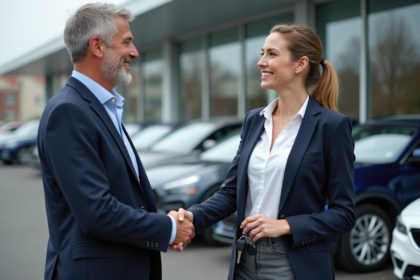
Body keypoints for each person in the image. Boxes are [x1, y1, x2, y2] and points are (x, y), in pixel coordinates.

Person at [172, 24, 356, 280]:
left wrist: (286, 225)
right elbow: (231, 192)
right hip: (244, 259)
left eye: (272, 53)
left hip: (294, 264)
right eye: (262, 53)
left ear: (300, 63)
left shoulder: (332, 127)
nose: (261, 62)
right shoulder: (254, 120)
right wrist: (192, 216)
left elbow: (344, 214)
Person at [37, 3, 193, 280]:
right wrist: (168, 228)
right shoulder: (69, 111)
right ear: (97, 46)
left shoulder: (98, 108)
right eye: (127, 42)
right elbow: (96, 212)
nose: (134, 52)